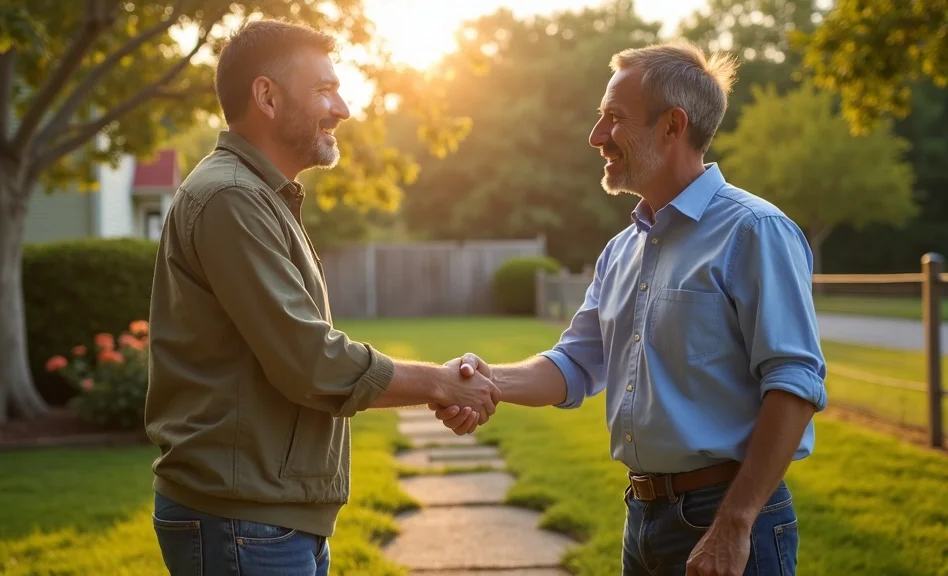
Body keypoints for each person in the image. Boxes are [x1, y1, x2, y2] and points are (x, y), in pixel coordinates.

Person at [434, 40, 827, 576]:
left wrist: (734, 524)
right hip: (642, 516)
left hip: (729, 515)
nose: (596, 137)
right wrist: (484, 379)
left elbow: (795, 383)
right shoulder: (622, 250)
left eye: (614, 118)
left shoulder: (754, 231)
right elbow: (575, 363)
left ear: (672, 126)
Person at [143, 19, 500, 576]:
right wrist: (437, 381)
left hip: (265, 518)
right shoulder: (231, 199)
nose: (343, 108)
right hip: (243, 522)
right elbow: (310, 362)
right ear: (266, 95)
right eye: (325, 90)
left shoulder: (256, 196)